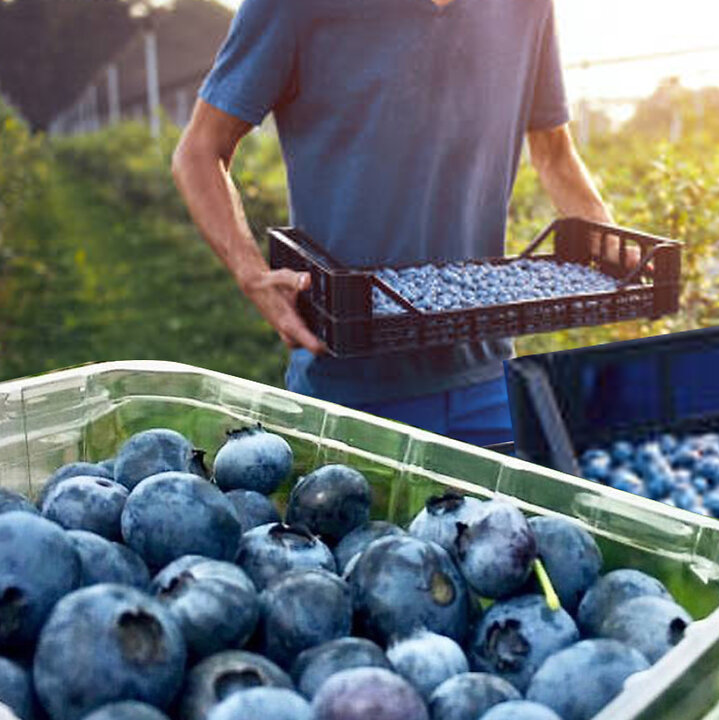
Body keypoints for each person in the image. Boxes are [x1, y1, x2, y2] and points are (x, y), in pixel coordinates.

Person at [172, 0, 615, 447]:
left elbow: (554, 152)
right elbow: (201, 150)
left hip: (488, 377)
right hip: (349, 385)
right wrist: (252, 275)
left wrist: (610, 242)